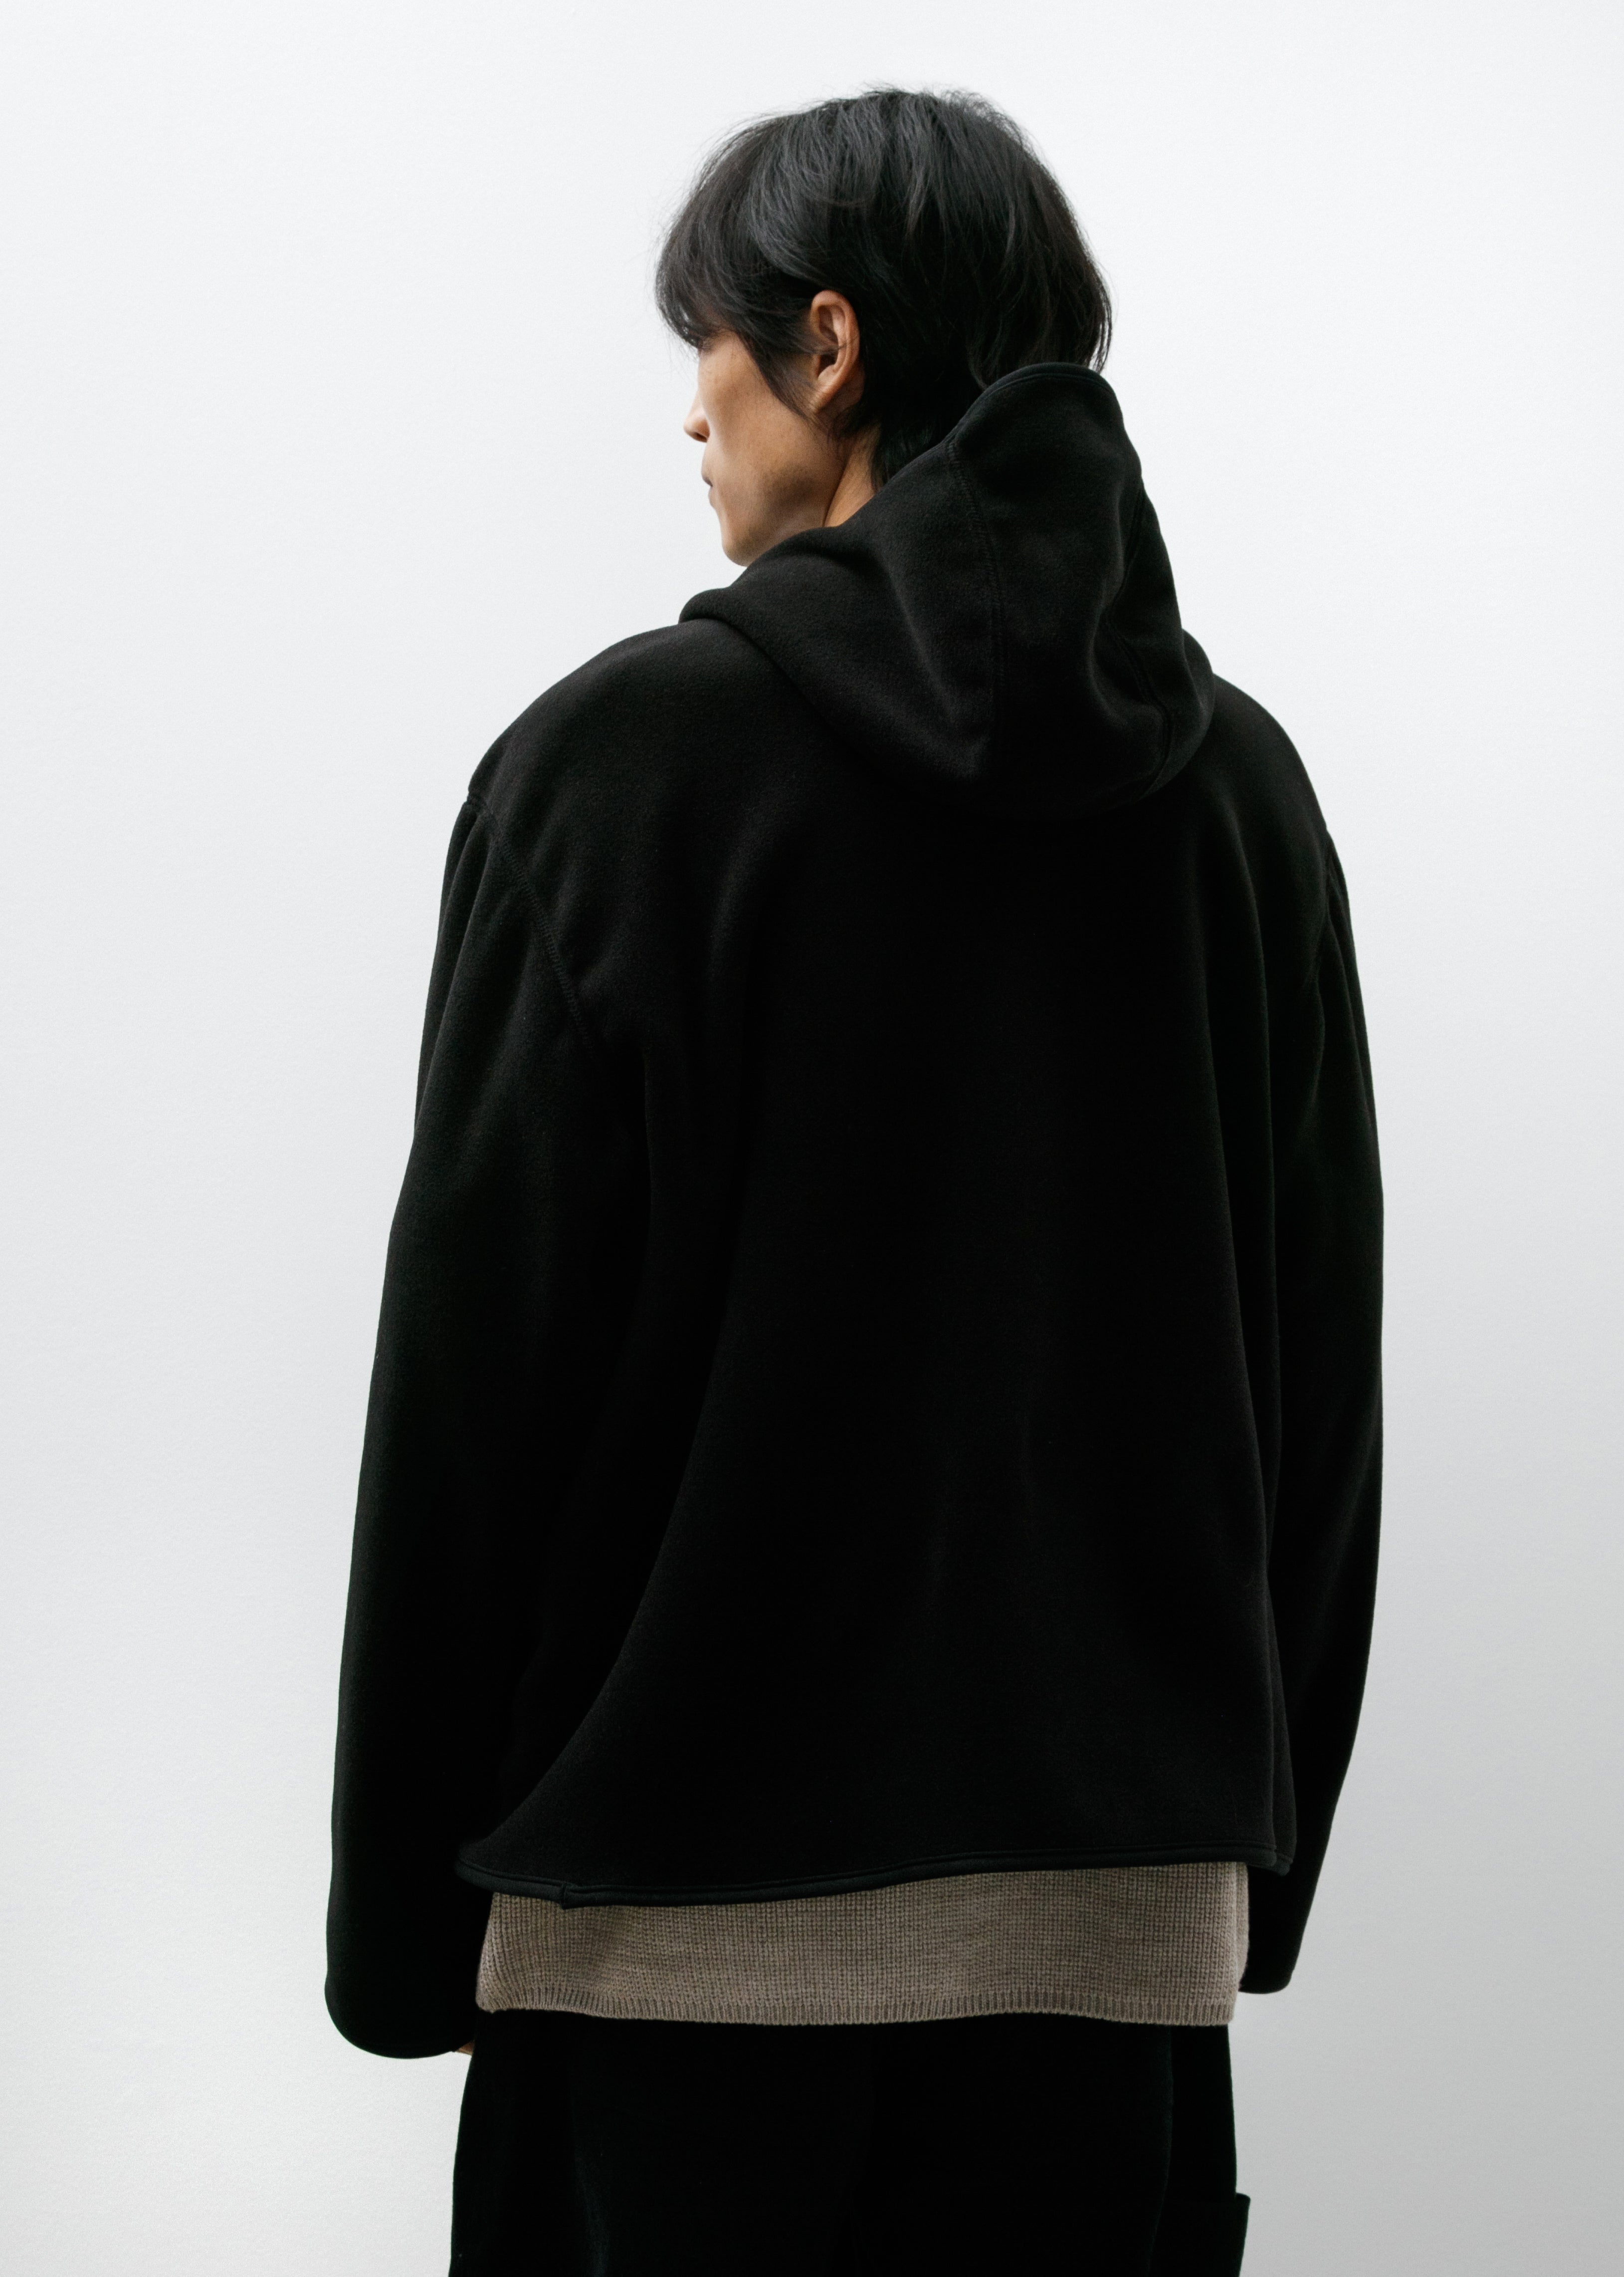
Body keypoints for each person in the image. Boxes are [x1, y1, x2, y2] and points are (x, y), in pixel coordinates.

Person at [326, 87, 1382, 2277]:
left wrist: (399, 1937)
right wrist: (1238, 1871)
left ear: (827, 347)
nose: (688, 414)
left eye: (704, 348)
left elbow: (475, 1399)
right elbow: (1318, 1401)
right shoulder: (1242, 807)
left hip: (660, 1966)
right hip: (1108, 1963)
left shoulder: (609, 777)